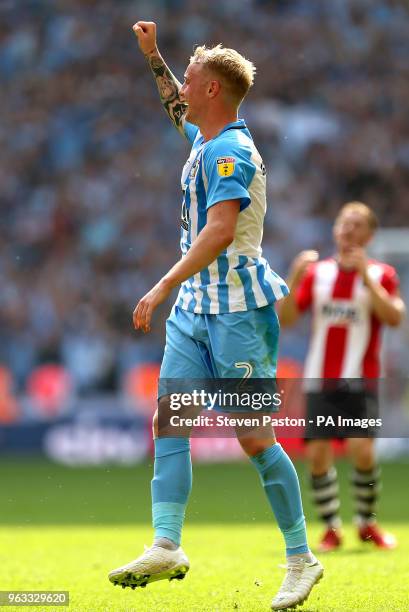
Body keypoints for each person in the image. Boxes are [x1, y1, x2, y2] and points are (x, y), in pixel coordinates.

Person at [108, 20, 323, 610]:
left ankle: (301, 559)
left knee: (254, 438)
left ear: (212, 93)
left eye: (191, 78)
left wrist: (158, 286)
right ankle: (167, 543)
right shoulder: (206, 137)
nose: (182, 87)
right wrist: (153, 55)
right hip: (196, 309)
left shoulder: (231, 150)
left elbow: (221, 231)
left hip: (237, 312)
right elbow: (173, 102)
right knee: (168, 419)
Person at [278, 201, 406, 552]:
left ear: (369, 234)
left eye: (356, 224)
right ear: (335, 230)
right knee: (318, 455)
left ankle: (367, 524)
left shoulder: (382, 274)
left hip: (360, 378)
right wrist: (294, 277)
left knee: (361, 450)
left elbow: (395, 317)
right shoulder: (317, 273)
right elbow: (286, 319)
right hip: (320, 377)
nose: (348, 230)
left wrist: (365, 277)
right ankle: (332, 528)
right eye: (343, 223)